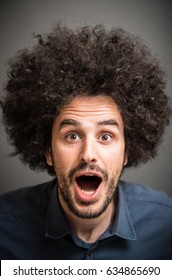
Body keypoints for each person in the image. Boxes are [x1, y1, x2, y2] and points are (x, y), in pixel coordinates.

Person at [0, 23, 172, 260]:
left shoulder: (166, 226)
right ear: (48, 150)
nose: (88, 154)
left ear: (126, 153)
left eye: (105, 136)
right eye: (72, 136)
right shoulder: (5, 229)